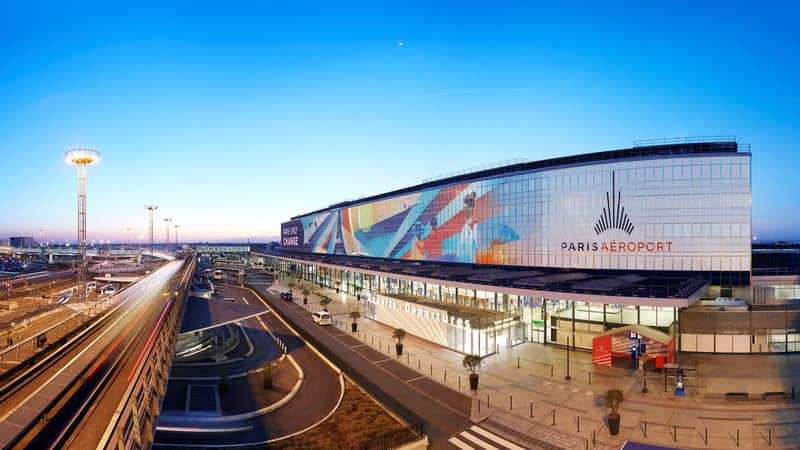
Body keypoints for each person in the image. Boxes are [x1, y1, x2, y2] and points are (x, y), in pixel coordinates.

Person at [456, 191, 479, 263]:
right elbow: (470, 218)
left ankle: (473, 260)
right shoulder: (468, 207)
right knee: (468, 244)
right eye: (471, 200)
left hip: (471, 225)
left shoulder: (469, 207)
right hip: (469, 226)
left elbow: (471, 217)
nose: (473, 201)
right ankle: (471, 260)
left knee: (472, 244)